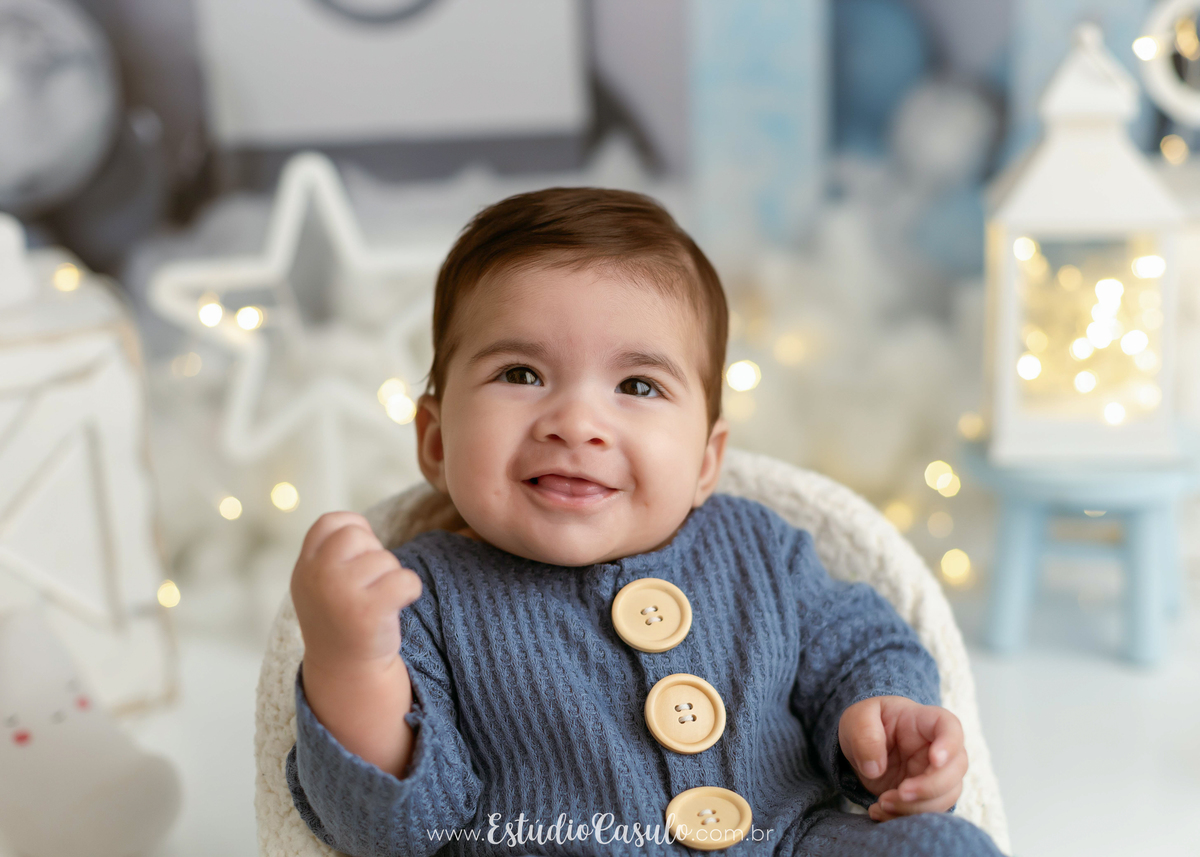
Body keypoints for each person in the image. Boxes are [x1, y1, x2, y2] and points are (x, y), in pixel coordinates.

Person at [285, 188, 1002, 856]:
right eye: (521, 374)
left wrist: (880, 718)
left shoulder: (759, 549)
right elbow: (397, 829)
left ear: (705, 462)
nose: (576, 422)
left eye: (637, 384)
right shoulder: (422, 597)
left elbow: (857, 641)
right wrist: (351, 662)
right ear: (437, 443)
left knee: (947, 846)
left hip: (790, 840)